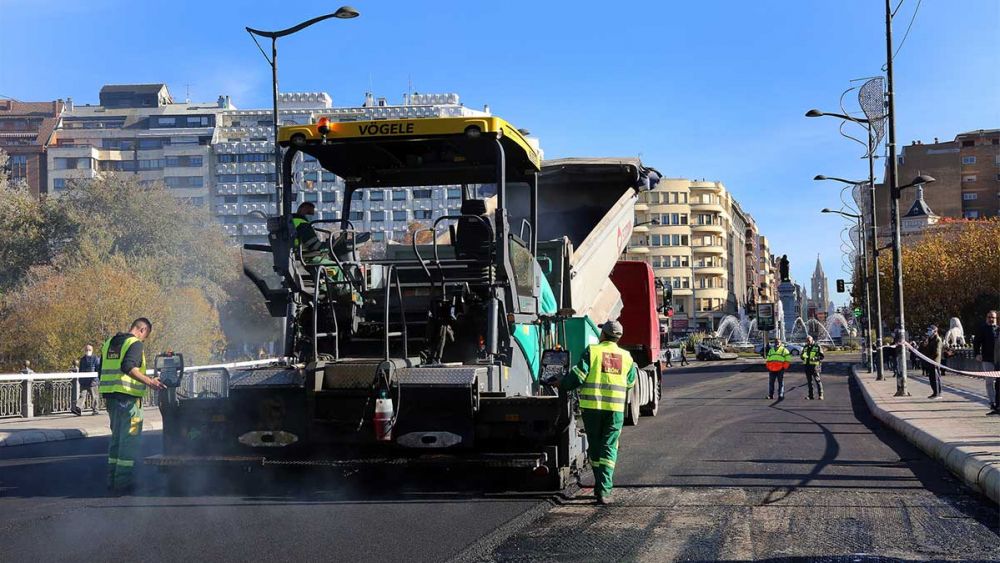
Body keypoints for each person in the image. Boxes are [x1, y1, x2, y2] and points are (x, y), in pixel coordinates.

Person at [553, 320, 638, 505]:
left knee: (596, 447)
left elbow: (579, 375)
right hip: (614, 411)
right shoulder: (627, 357)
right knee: (609, 447)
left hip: (592, 409)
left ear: (603, 335)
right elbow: (630, 383)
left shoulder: (593, 351)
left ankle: (601, 486)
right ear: (619, 337)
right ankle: (604, 490)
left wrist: (562, 384)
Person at [98, 318, 165, 493]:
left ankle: (112, 479)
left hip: (111, 398)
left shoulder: (109, 343)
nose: (143, 340)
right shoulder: (134, 343)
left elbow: (101, 371)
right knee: (129, 440)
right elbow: (128, 366)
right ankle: (123, 483)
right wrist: (150, 382)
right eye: (145, 336)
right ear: (142, 330)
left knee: (116, 439)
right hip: (129, 399)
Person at [972, 310, 999, 415]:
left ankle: (998, 404)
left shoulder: (999, 329)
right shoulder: (982, 329)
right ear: (986, 318)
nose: (991, 319)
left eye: (993, 317)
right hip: (987, 360)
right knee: (989, 382)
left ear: (996, 319)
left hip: (998, 360)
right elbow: (976, 343)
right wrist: (977, 354)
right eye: (989, 317)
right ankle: (992, 402)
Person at [72, 344, 101, 416]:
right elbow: (81, 370)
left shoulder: (95, 359)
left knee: (95, 396)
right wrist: (80, 379)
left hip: (92, 381)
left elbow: (98, 369)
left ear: (92, 350)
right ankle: (78, 409)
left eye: (89, 350)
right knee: (82, 395)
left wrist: (96, 379)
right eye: (86, 350)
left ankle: (96, 410)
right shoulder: (82, 359)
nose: (88, 351)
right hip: (84, 381)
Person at [921, 325, 943, 399]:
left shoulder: (937, 339)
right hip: (930, 361)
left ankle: (937, 393)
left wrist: (931, 359)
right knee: (931, 379)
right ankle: (935, 392)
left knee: (935, 378)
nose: (928, 332)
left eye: (930, 330)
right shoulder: (930, 339)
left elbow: (937, 352)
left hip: (934, 362)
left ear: (935, 331)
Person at [801, 336, 825, 400]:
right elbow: (802, 355)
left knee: (817, 381)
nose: (808, 342)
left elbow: (822, 356)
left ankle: (821, 395)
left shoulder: (817, 346)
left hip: (815, 366)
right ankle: (811, 395)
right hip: (807, 366)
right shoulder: (805, 347)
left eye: (809, 340)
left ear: (812, 340)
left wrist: (815, 358)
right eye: (807, 341)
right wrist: (803, 357)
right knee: (809, 382)